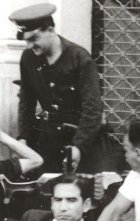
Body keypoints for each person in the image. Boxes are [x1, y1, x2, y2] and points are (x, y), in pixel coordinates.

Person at [10, 3, 115, 174]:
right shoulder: (28, 58)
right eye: (26, 40)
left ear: (50, 31)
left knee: (91, 190)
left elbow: (93, 109)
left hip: (84, 140)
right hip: (49, 140)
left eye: (34, 39)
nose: (29, 46)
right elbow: (26, 102)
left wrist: (79, 147)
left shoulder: (79, 58)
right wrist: (23, 138)